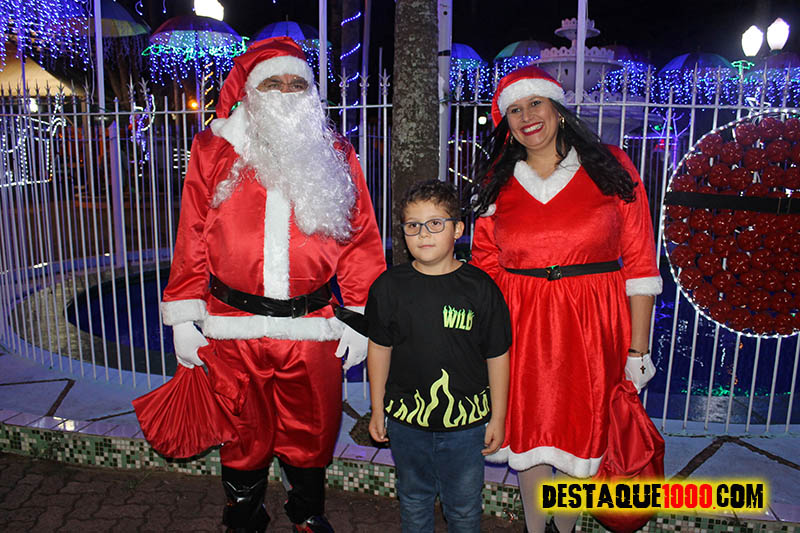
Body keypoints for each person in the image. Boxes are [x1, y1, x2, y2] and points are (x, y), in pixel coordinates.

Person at [158, 37, 385, 533]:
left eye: (296, 83)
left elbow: (360, 236)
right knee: (242, 428)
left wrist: (360, 315)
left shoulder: (337, 153)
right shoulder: (214, 149)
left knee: (314, 426)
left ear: (311, 94)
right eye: (273, 83)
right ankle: (243, 514)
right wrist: (184, 314)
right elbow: (191, 232)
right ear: (251, 92)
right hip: (232, 325)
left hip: (312, 326)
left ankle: (306, 512)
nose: (285, 92)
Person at [469, 66, 662, 533]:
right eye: (515, 110)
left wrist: (638, 350)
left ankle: (566, 527)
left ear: (557, 108)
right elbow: (484, 267)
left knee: (584, 430)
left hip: (594, 325)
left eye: (535, 103)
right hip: (522, 326)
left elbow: (640, 264)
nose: (526, 117)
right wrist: (482, 341)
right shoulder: (498, 180)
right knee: (529, 432)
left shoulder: (611, 165)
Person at [366, 179, 512, 533]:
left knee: (463, 509)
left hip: (466, 426)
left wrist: (498, 417)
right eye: (413, 226)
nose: (423, 234)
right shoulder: (388, 287)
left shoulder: (481, 289)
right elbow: (379, 349)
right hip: (405, 422)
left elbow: (498, 355)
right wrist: (377, 408)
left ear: (457, 230)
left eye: (435, 223)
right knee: (413, 501)